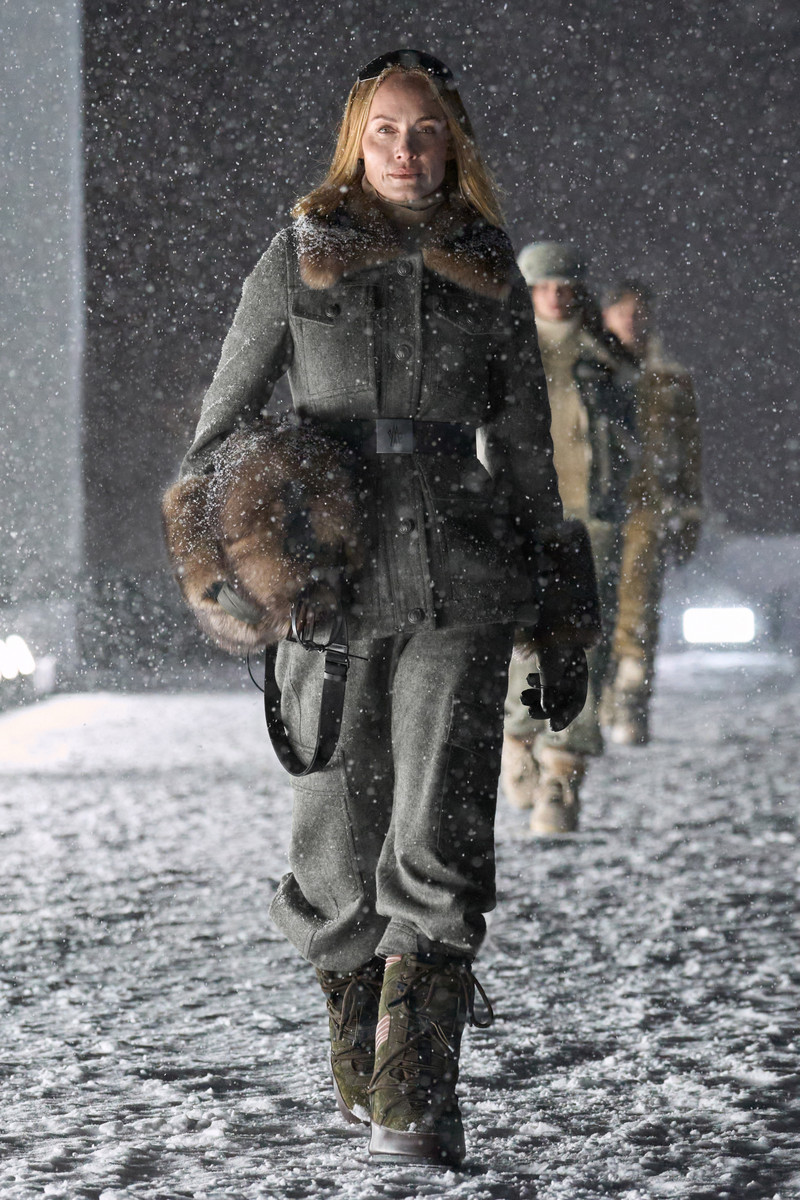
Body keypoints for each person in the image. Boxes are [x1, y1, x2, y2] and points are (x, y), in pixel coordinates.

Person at [162, 50, 598, 1167]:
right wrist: (235, 570)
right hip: (324, 586)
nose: (408, 152)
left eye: (428, 132)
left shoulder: (485, 265)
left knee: (441, 833)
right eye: (387, 131)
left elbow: (534, 462)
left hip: (462, 570)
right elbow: (214, 443)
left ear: (455, 142)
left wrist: (563, 611)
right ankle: (360, 1049)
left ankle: (417, 1089)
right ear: (357, 139)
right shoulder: (297, 258)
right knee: (334, 843)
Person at [502, 243, 637, 833]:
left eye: (564, 285)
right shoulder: (502, 350)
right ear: (527, 290)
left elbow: (638, 443)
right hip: (521, 513)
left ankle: (562, 771)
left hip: (591, 518)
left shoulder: (608, 357)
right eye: (543, 285)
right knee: (518, 637)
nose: (555, 295)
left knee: (585, 642)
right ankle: (517, 739)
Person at [601, 279, 702, 744]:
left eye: (640, 312)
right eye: (622, 312)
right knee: (591, 607)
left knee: (638, 609)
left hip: (648, 506)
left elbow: (689, 454)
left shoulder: (671, 380)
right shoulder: (587, 370)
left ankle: (631, 700)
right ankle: (590, 704)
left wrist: (690, 513)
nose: (632, 321)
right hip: (593, 503)